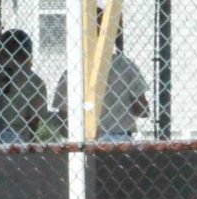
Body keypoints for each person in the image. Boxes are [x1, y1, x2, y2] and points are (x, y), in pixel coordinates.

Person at [51, 12, 149, 140]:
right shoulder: (124, 65)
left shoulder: (74, 70)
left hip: (83, 138)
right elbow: (141, 108)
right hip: (120, 138)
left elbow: (63, 115)